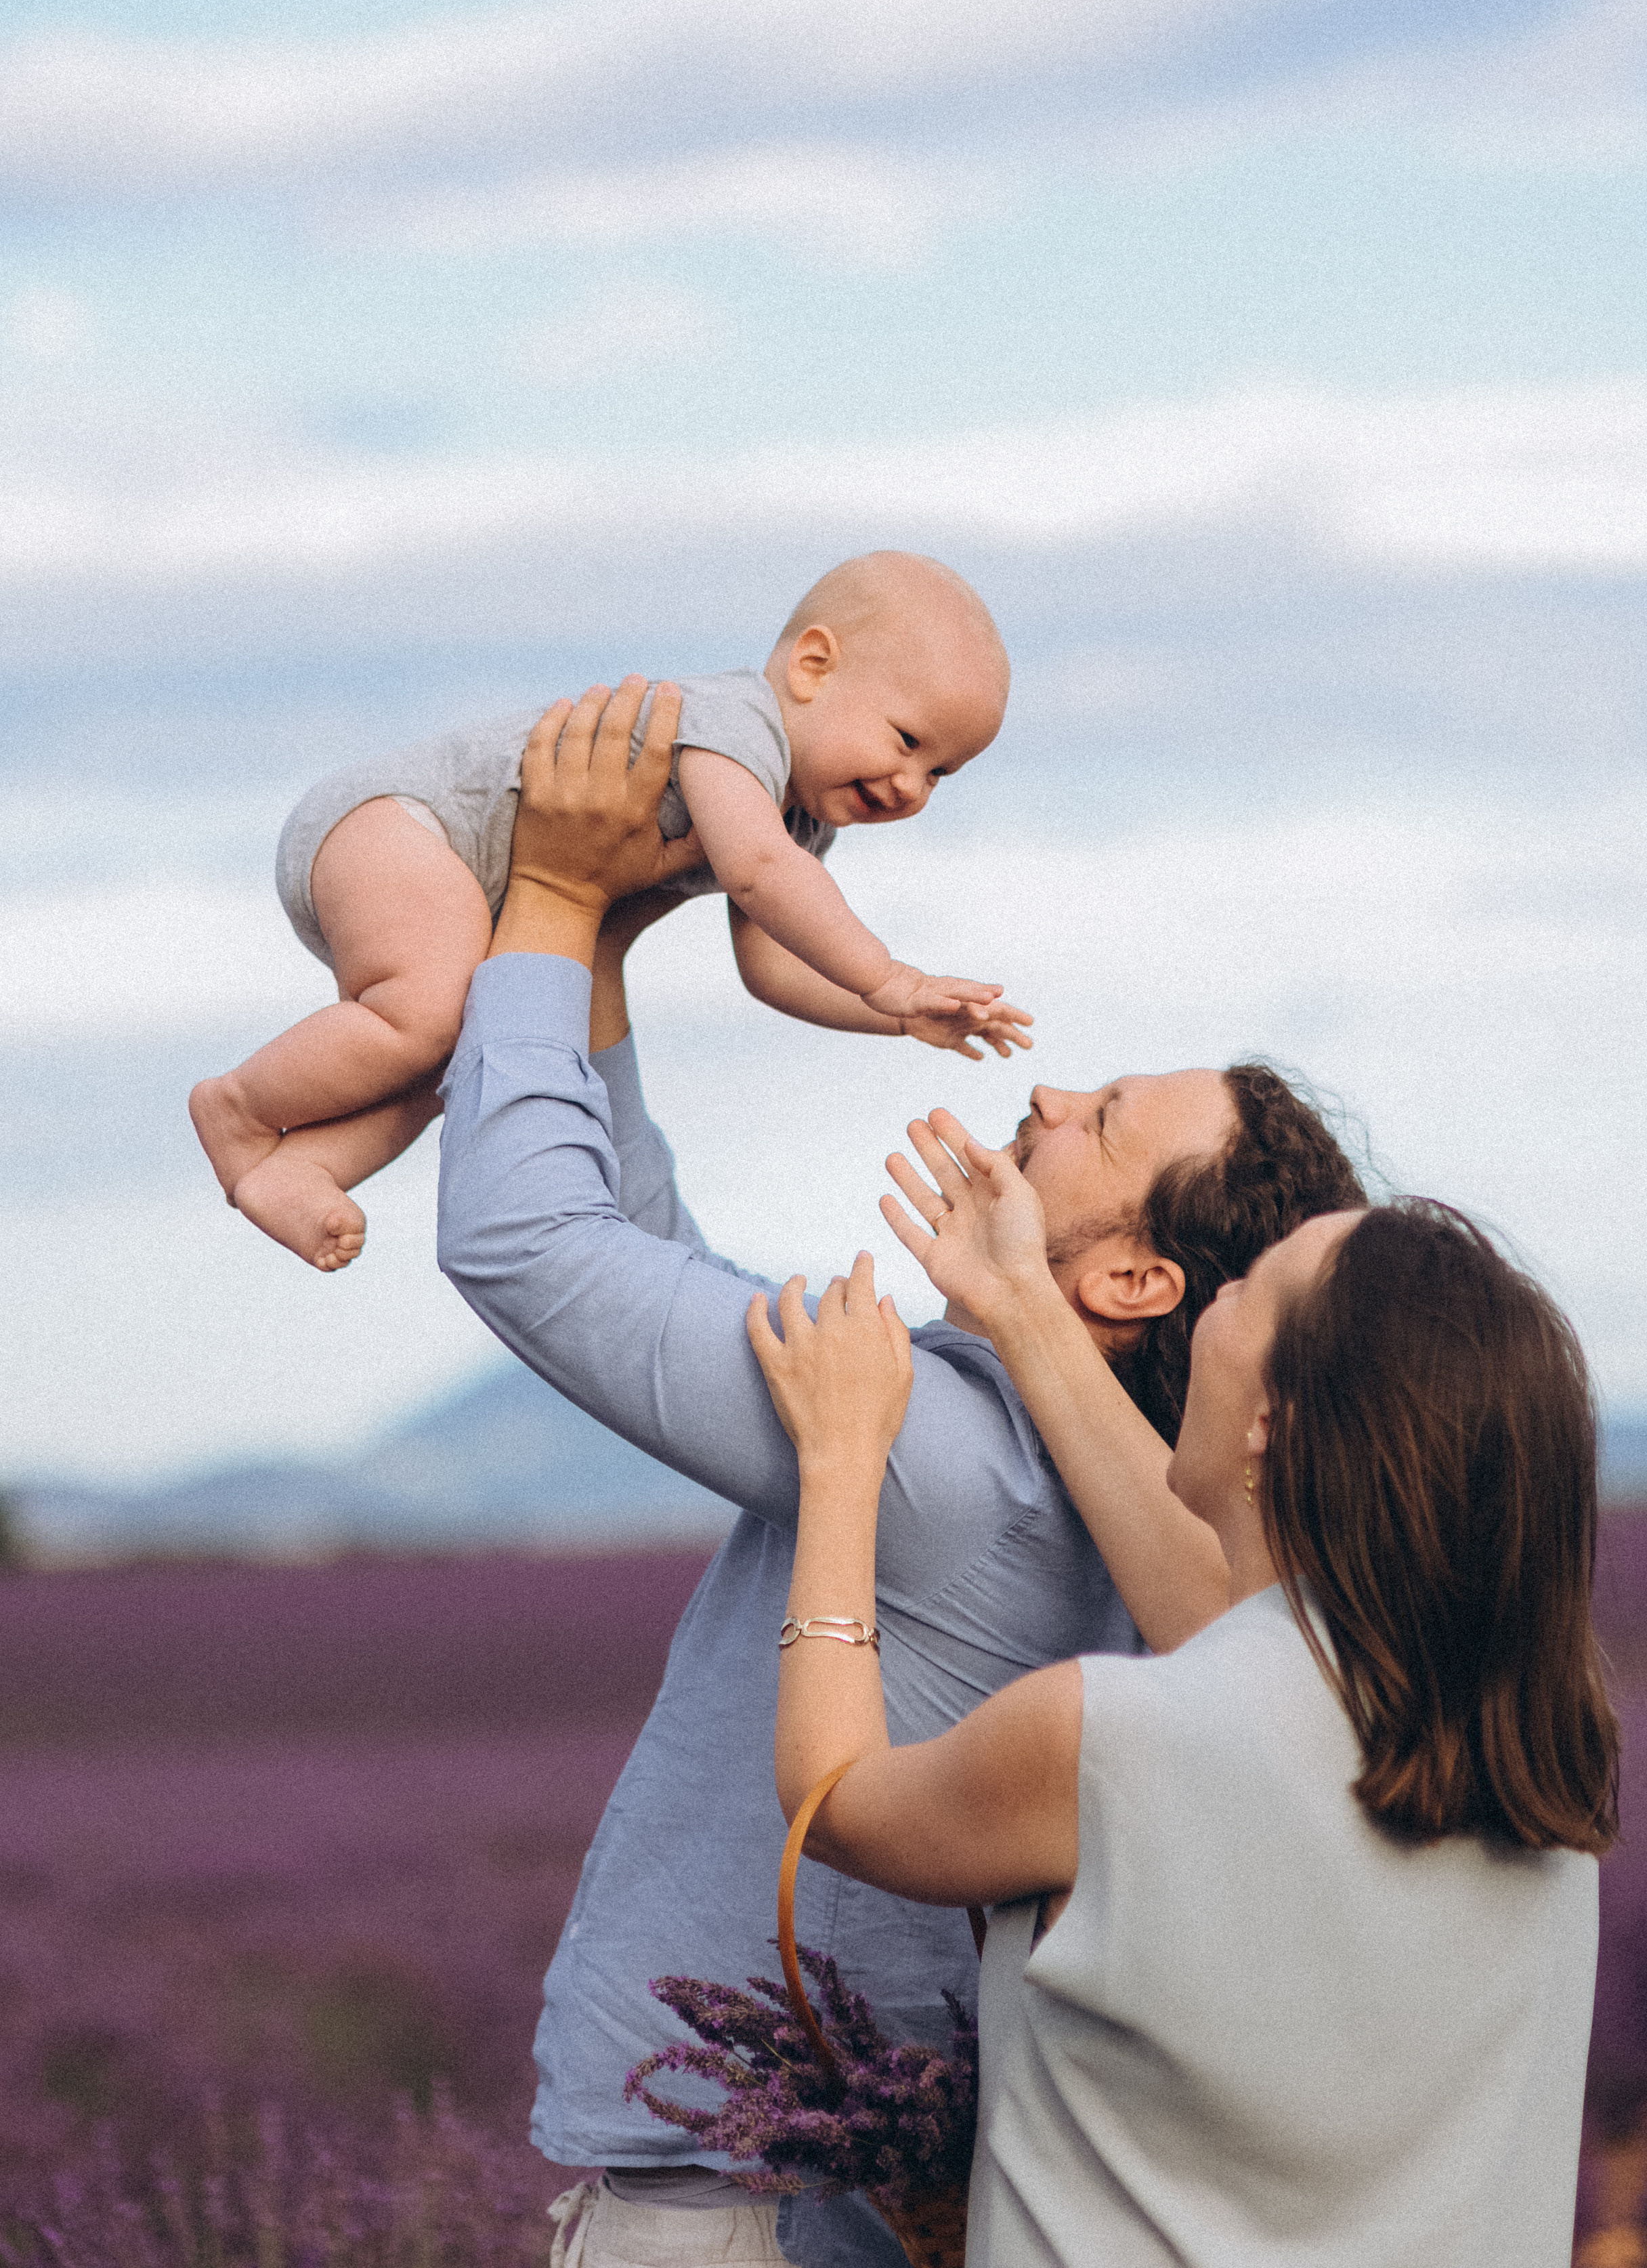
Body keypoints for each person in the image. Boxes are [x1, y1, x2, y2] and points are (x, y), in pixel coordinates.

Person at [434, 677, 1368, 2268]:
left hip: (733, 2198)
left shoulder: (939, 1454)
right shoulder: (1093, 1477)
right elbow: (659, 1266)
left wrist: (542, 896)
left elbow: (526, 1245)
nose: (1053, 1094)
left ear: (1135, 1283)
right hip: (867, 2186)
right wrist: (597, 960)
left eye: (1104, 1120)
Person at [752, 1180, 1619, 2265]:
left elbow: (832, 1799)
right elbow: (1242, 1638)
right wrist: (1023, 1300)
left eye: (1249, 1288)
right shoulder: (1541, 1782)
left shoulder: (1111, 1740)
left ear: (1272, 1420)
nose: (1215, 1297)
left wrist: (837, 1463)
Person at [188, 551, 1029, 1274]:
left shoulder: (797, 819)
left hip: (456, 881)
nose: (910, 787)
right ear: (813, 668)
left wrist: (900, 1020)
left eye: (941, 775)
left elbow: (772, 968)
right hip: (398, 827)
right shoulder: (738, 727)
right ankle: (238, 1106)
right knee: (428, 1011)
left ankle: (301, 1167)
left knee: (463, 1048)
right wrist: (890, 979)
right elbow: (757, 872)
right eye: (907, 742)